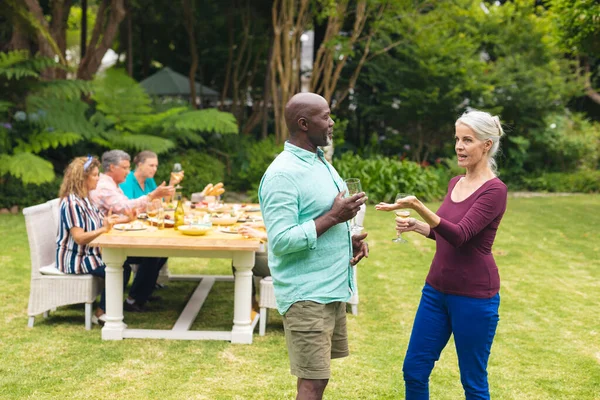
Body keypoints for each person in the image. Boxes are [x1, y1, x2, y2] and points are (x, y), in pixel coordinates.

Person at [375, 110, 507, 399]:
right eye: (457, 139)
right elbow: (444, 231)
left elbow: (461, 235)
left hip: (474, 297)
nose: (459, 146)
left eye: (467, 140)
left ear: (486, 145)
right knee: (414, 370)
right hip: (436, 291)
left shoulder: (494, 191)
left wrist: (419, 206)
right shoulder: (455, 183)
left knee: (472, 382)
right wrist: (417, 226)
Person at [259, 92, 369, 400]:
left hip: (330, 289)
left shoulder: (321, 163)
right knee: (312, 383)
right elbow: (281, 241)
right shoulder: (282, 174)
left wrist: (348, 240)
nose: (332, 122)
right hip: (306, 294)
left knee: (318, 380)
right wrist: (334, 217)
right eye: (325, 116)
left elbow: (317, 221)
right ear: (304, 124)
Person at [89, 149, 174, 312]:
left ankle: (140, 294)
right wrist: (152, 196)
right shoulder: (105, 186)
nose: (129, 172)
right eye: (125, 168)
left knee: (158, 253)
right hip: (102, 243)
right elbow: (124, 207)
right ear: (112, 167)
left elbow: (126, 207)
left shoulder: (113, 185)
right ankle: (133, 299)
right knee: (153, 253)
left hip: (111, 234)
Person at [55, 156, 130, 324]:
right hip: (76, 259)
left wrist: (121, 220)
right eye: (95, 175)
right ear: (83, 178)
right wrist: (103, 229)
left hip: (90, 255)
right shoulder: (73, 204)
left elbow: (100, 222)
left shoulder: (86, 199)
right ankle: (102, 314)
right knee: (119, 269)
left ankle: (104, 311)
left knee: (123, 266)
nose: (99, 178)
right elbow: (79, 238)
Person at [119, 150, 182, 289]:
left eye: (156, 166)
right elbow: (128, 209)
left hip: (146, 227)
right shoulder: (127, 181)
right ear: (140, 165)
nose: (154, 169)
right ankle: (137, 296)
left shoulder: (149, 180)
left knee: (163, 251)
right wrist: (150, 205)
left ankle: (146, 286)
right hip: (130, 232)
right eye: (151, 165)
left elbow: (162, 201)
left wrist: (172, 183)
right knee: (156, 253)